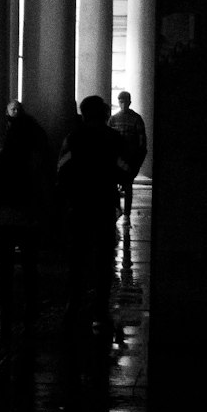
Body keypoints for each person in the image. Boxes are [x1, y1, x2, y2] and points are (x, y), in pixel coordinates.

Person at [57, 95, 132, 332]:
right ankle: (100, 309)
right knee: (103, 259)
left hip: (79, 204)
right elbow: (125, 168)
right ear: (103, 112)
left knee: (77, 258)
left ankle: (73, 304)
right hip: (103, 204)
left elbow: (62, 169)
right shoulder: (113, 138)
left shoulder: (73, 137)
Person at [0, 102, 54, 327]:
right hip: (28, 219)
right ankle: (30, 306)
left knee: (5, 266)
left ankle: (5, 308)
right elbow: (43, 190)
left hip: (3, 218)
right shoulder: (34, 160)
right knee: (29, 265)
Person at [108, 89, 148, 230]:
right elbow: (142, 144)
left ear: (129, 102)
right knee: (127, 186)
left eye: (124, 101)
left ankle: (121, 212)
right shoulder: (136, 119)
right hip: (129, 160)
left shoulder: (113, 119)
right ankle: (125, 215)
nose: (123, 104)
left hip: (120, 160)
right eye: (121, 101)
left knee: (118, 186)